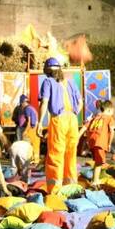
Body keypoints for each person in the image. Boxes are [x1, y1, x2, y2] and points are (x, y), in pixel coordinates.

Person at [36, 57, 82, 194]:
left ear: (47, 70)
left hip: (59, 120)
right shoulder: (70, 82)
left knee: (56, 154)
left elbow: (44, 102)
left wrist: (39, 122)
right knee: (71, 154)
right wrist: (73, 113)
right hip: (73, 120)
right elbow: (80, 102)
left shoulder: (47, 82)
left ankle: (55, 191)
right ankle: (71, 188)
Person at [78, 100, 115, 188]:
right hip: (101, 142)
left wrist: (77, 137)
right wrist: (109, 144)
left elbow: (84, 127)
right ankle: (95, 181)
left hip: (91, 142)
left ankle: (94, 179)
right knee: (99, 162)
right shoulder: (109, 118)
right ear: (109, 110)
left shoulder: (95, 117)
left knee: (97, 162)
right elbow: (112, 131)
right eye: (112, 112)